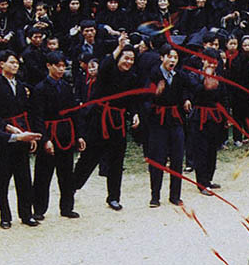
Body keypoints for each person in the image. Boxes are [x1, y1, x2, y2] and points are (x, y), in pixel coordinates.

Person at [72, 36, 142, 211]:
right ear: (118, 57)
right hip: (99, 119)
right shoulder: (107, 71)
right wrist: (119, 47)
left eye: (132, 59)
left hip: (118, 122)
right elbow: (104, 66)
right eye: (126, 58)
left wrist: (134, 114)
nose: (129, 62)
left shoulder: (133, 77)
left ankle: (113, 197)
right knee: (89, 157)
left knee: (116, 160)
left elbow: (132, 100)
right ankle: (71, 187)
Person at [31, 51, 85, 220]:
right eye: (58, 66)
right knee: (43, 174)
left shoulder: (67, 87)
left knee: (67, 173)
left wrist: (79, 135)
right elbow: (37, 117)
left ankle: (67, 207)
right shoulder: (40, 88)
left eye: (63, 66)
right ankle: (39, 209)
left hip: (66, 134)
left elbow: (74, 113)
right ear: (49, 66)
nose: (61, 69)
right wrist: (45, 139)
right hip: (49, 131)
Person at [0, 50, 42, 228]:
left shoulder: (21, 85)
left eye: (16, 63)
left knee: (24, 178)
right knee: (3, 180)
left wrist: (29, 135)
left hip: (22, 131)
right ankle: (5, 217)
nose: (15, 66)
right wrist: (8, 126)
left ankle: (26, 214)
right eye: (11, 62)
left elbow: (26, 112)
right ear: (1, 64)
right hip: (3, 134)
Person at [146, 45, 192, 207]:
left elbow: (187, 89)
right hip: (158, 121)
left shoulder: (179, 75)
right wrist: (154, 93)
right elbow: (144, 96)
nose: (172, 60)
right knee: (157, 159)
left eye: (175, 58)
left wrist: (186, 99)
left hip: (175, 120)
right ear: (162, 57)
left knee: (177, 158)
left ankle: (175, 195)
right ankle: (155, 196)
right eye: (169, 57)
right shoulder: (153, 74)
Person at [190, 51, 230, 194]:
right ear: (203, 60)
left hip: (215, 117)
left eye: (214, 62)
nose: (211, 65)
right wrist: (206, 79)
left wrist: (226, 117)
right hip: (199, 116)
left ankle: (208, 179)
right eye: (209, 61)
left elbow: (224, 98)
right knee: (201, 149)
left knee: (212, 149)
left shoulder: (219, 78)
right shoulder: (194, 75)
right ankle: (201, 183)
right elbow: (196, 93)